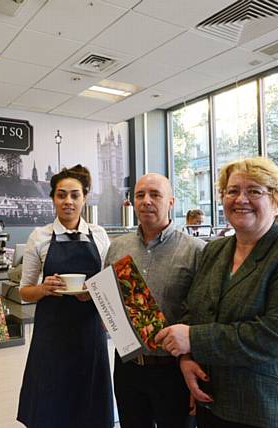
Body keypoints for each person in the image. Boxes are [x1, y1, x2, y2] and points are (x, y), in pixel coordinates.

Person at [155, 157, 278, 428]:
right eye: (232, 190)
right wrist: (187, 359)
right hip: (215, 404)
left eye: (254, 191)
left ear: (277, 201)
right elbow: (194, 310)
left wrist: (193, 339)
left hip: (277, 411)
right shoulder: (214, 250)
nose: (241, 199)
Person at [17, 165, 114, 428]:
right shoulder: (39, 237)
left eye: (74, 195)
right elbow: (25, 291)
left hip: (89, 332)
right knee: (51, 405)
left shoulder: (99, 235)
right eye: (61, 195)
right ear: (53, 198)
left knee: (89, 405)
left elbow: (108, 284)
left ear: (85, 197)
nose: (68, 202)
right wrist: (44, 289)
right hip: (51, 334)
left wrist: (93, 293)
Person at [105, 173, 205, 428]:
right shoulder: (117, 248)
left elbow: (204, 313)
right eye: (140, 195)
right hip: (128, 366)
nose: (146, 201)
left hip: (175, 369)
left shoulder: (196, 250)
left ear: (171, 201)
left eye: (155, 195)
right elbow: (109, 300)